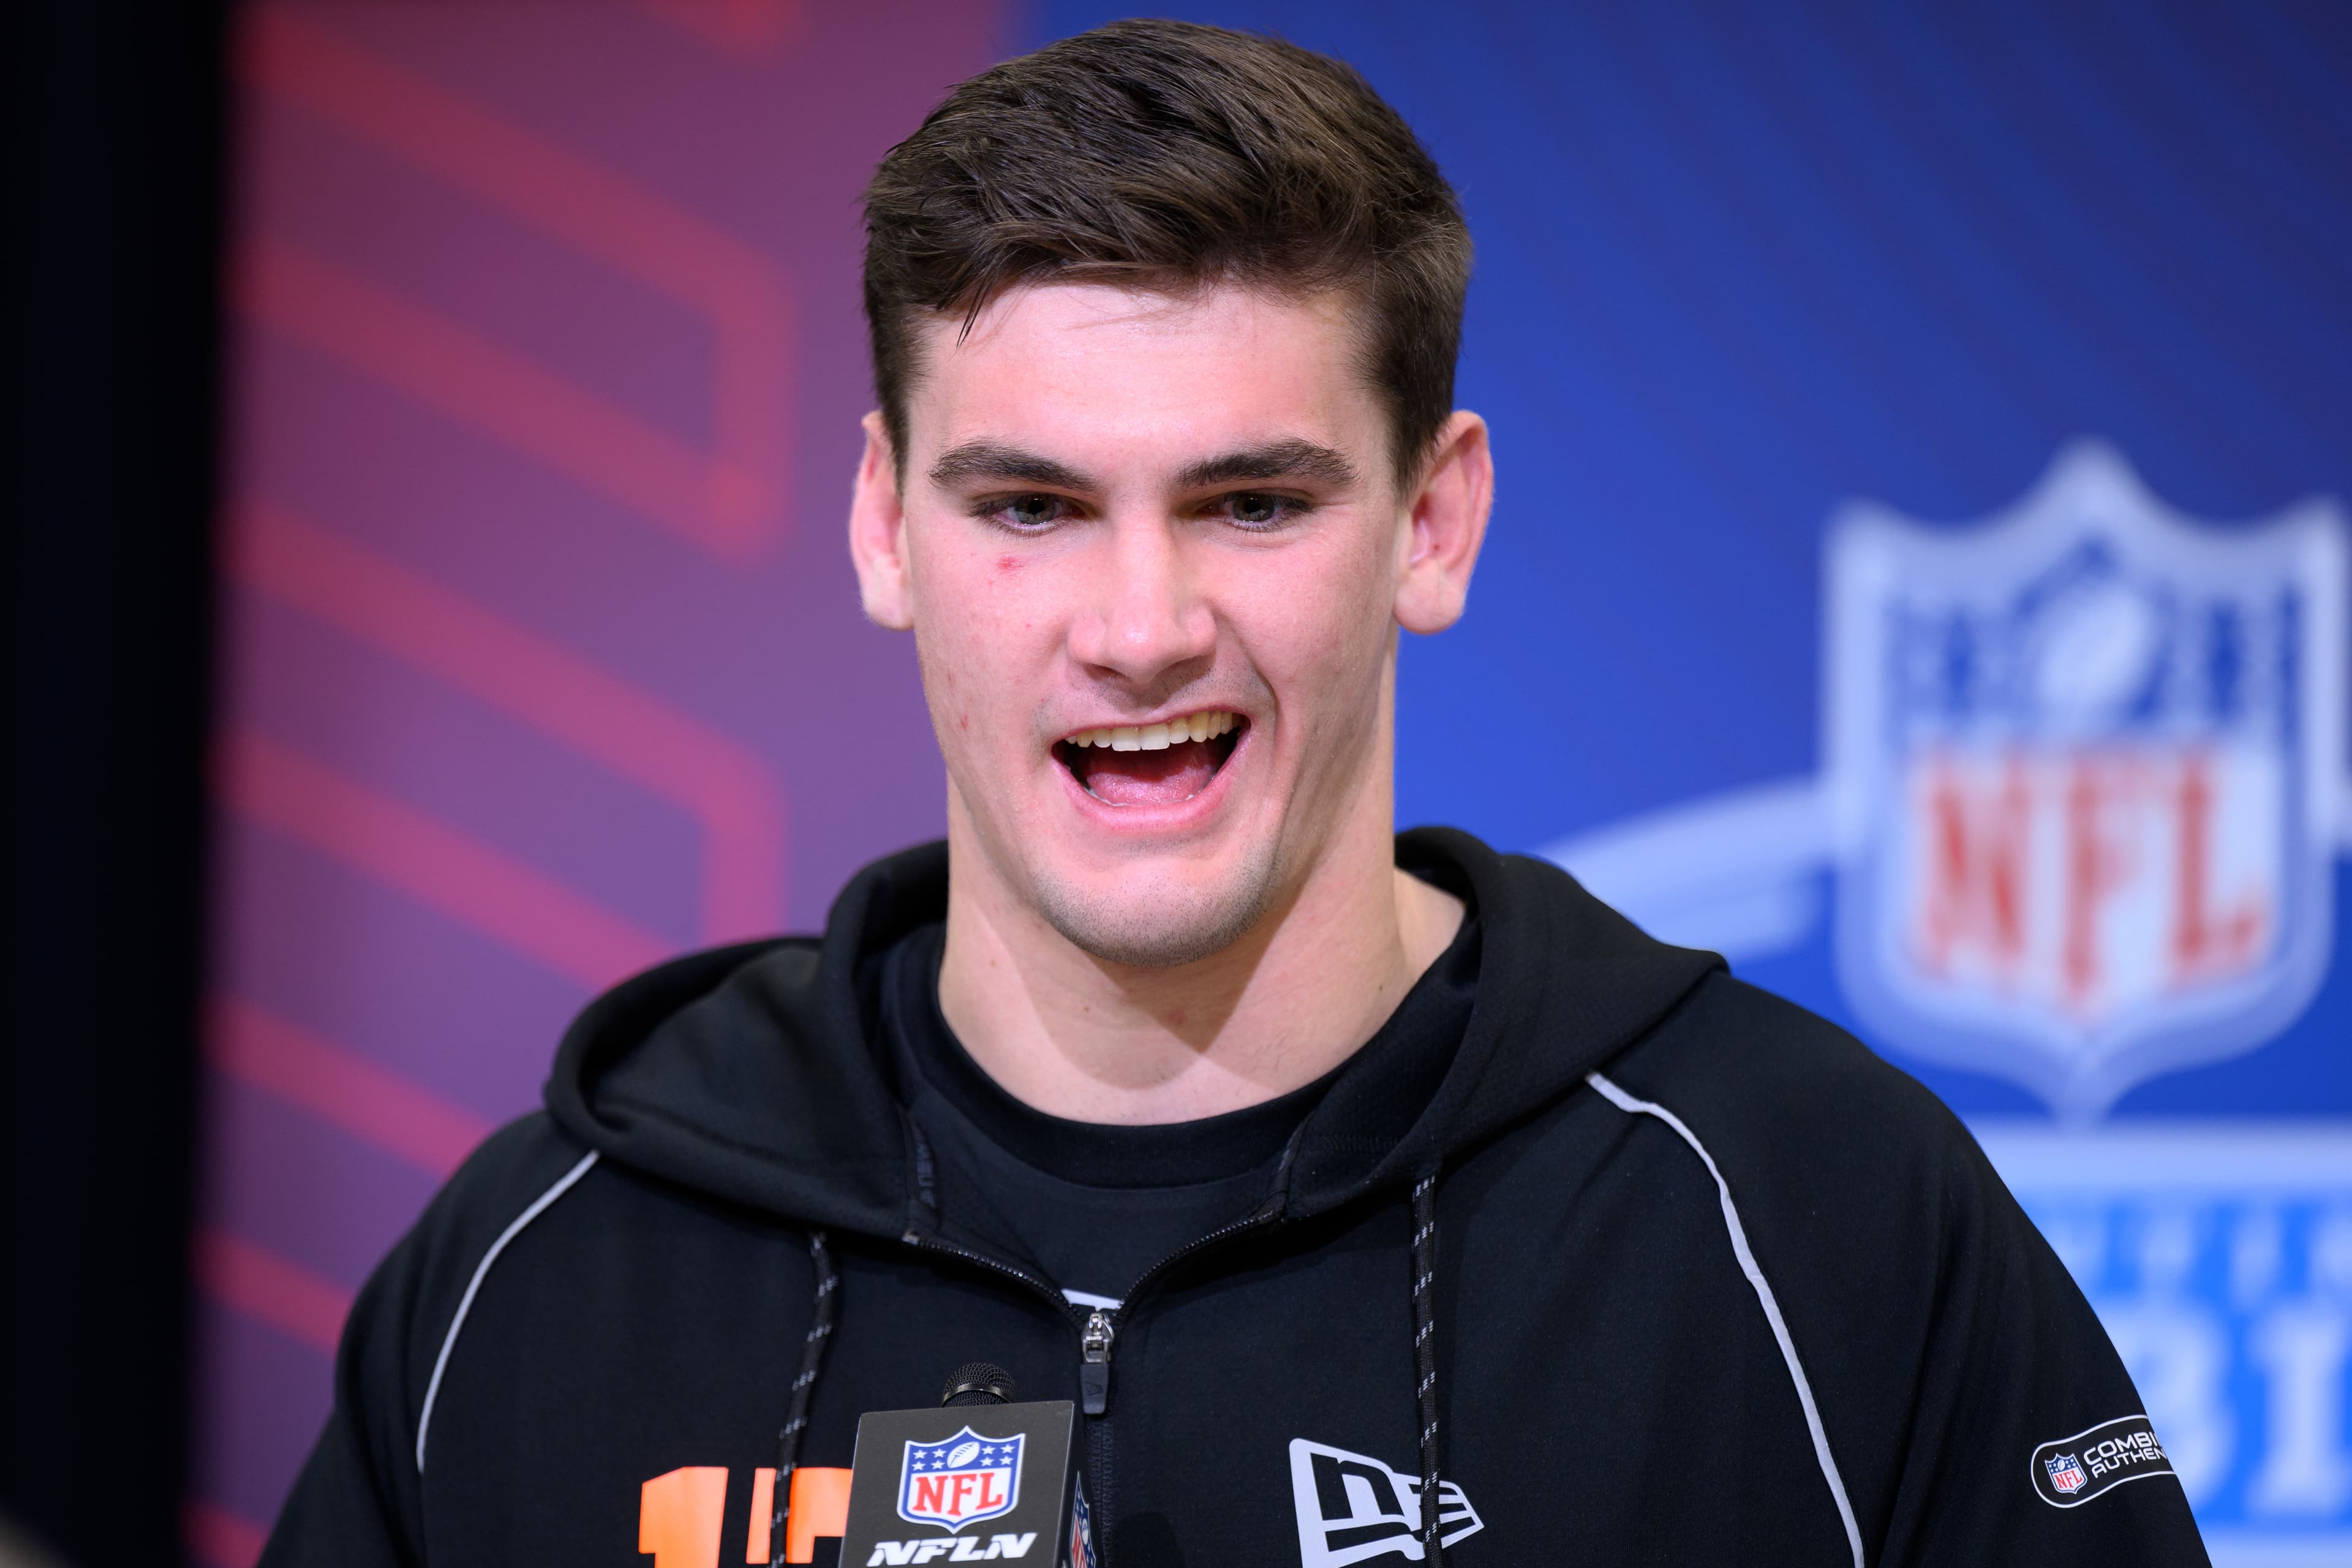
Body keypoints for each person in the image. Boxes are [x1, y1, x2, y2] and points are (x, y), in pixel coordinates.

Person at [262, 20, 2209, 1568]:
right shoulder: (550, 1263)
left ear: (1433, 522)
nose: (1141, 628)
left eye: (1253, 503)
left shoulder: (1808, 1212)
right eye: (1032, 506)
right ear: (882, 523)